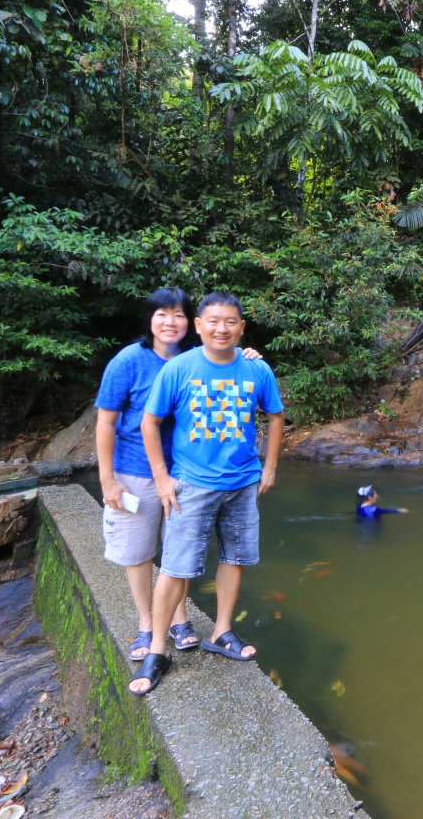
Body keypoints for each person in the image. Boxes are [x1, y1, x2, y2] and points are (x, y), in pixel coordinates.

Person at [128, 292, 285, 696]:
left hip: (243, 482)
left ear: (241, 327)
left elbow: (276, 414)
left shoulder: (256, 370)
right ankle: (158, 649)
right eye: (213, 321)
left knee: (235, 558)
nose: (221, 328)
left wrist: (269, 467)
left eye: (230, 321)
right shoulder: (180, 368)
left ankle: (221, 631)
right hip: (192, 485)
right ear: (198, 326)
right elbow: (149, 422)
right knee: (176, 567)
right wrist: (162, 478)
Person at [95, 287, 262, 662]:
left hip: (187, 473)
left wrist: (246, 356)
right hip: (136, 469)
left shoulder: (198, 359)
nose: (170, 322)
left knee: (179, 551)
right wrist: (107, 478)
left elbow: (232, 370)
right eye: (161, 314)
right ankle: (146, 624)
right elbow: (106, 422)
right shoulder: (128, 361)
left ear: (192, 323)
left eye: (178, 315)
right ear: (149, 319)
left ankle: (180, 621)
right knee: (137, 551)